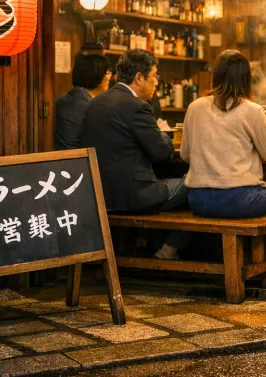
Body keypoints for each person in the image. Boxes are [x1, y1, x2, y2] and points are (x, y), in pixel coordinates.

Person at [181, 50, 266, 283]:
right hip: (239, 200)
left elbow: (185, 154)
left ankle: (219, 262)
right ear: (246, 78)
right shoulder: (251, 110)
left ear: (216, 75)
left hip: (198, 199)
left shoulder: (195, 106)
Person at [80, 49, 189, 260]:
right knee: (196, 184)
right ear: (139, 77)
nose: (157, 82)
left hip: (99, 194)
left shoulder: (95, 103)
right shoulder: (137, 107)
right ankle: (169, 248)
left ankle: (154, 246)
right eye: (155, 76)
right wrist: (164, 136)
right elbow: (162, 153)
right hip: (132, 195)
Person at [54, 53, 112, 150]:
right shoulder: (89, 106)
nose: (110, 76)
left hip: (62, 160)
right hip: (79, 161)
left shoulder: (65, 98)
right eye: (107, 72)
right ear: (95, 75)